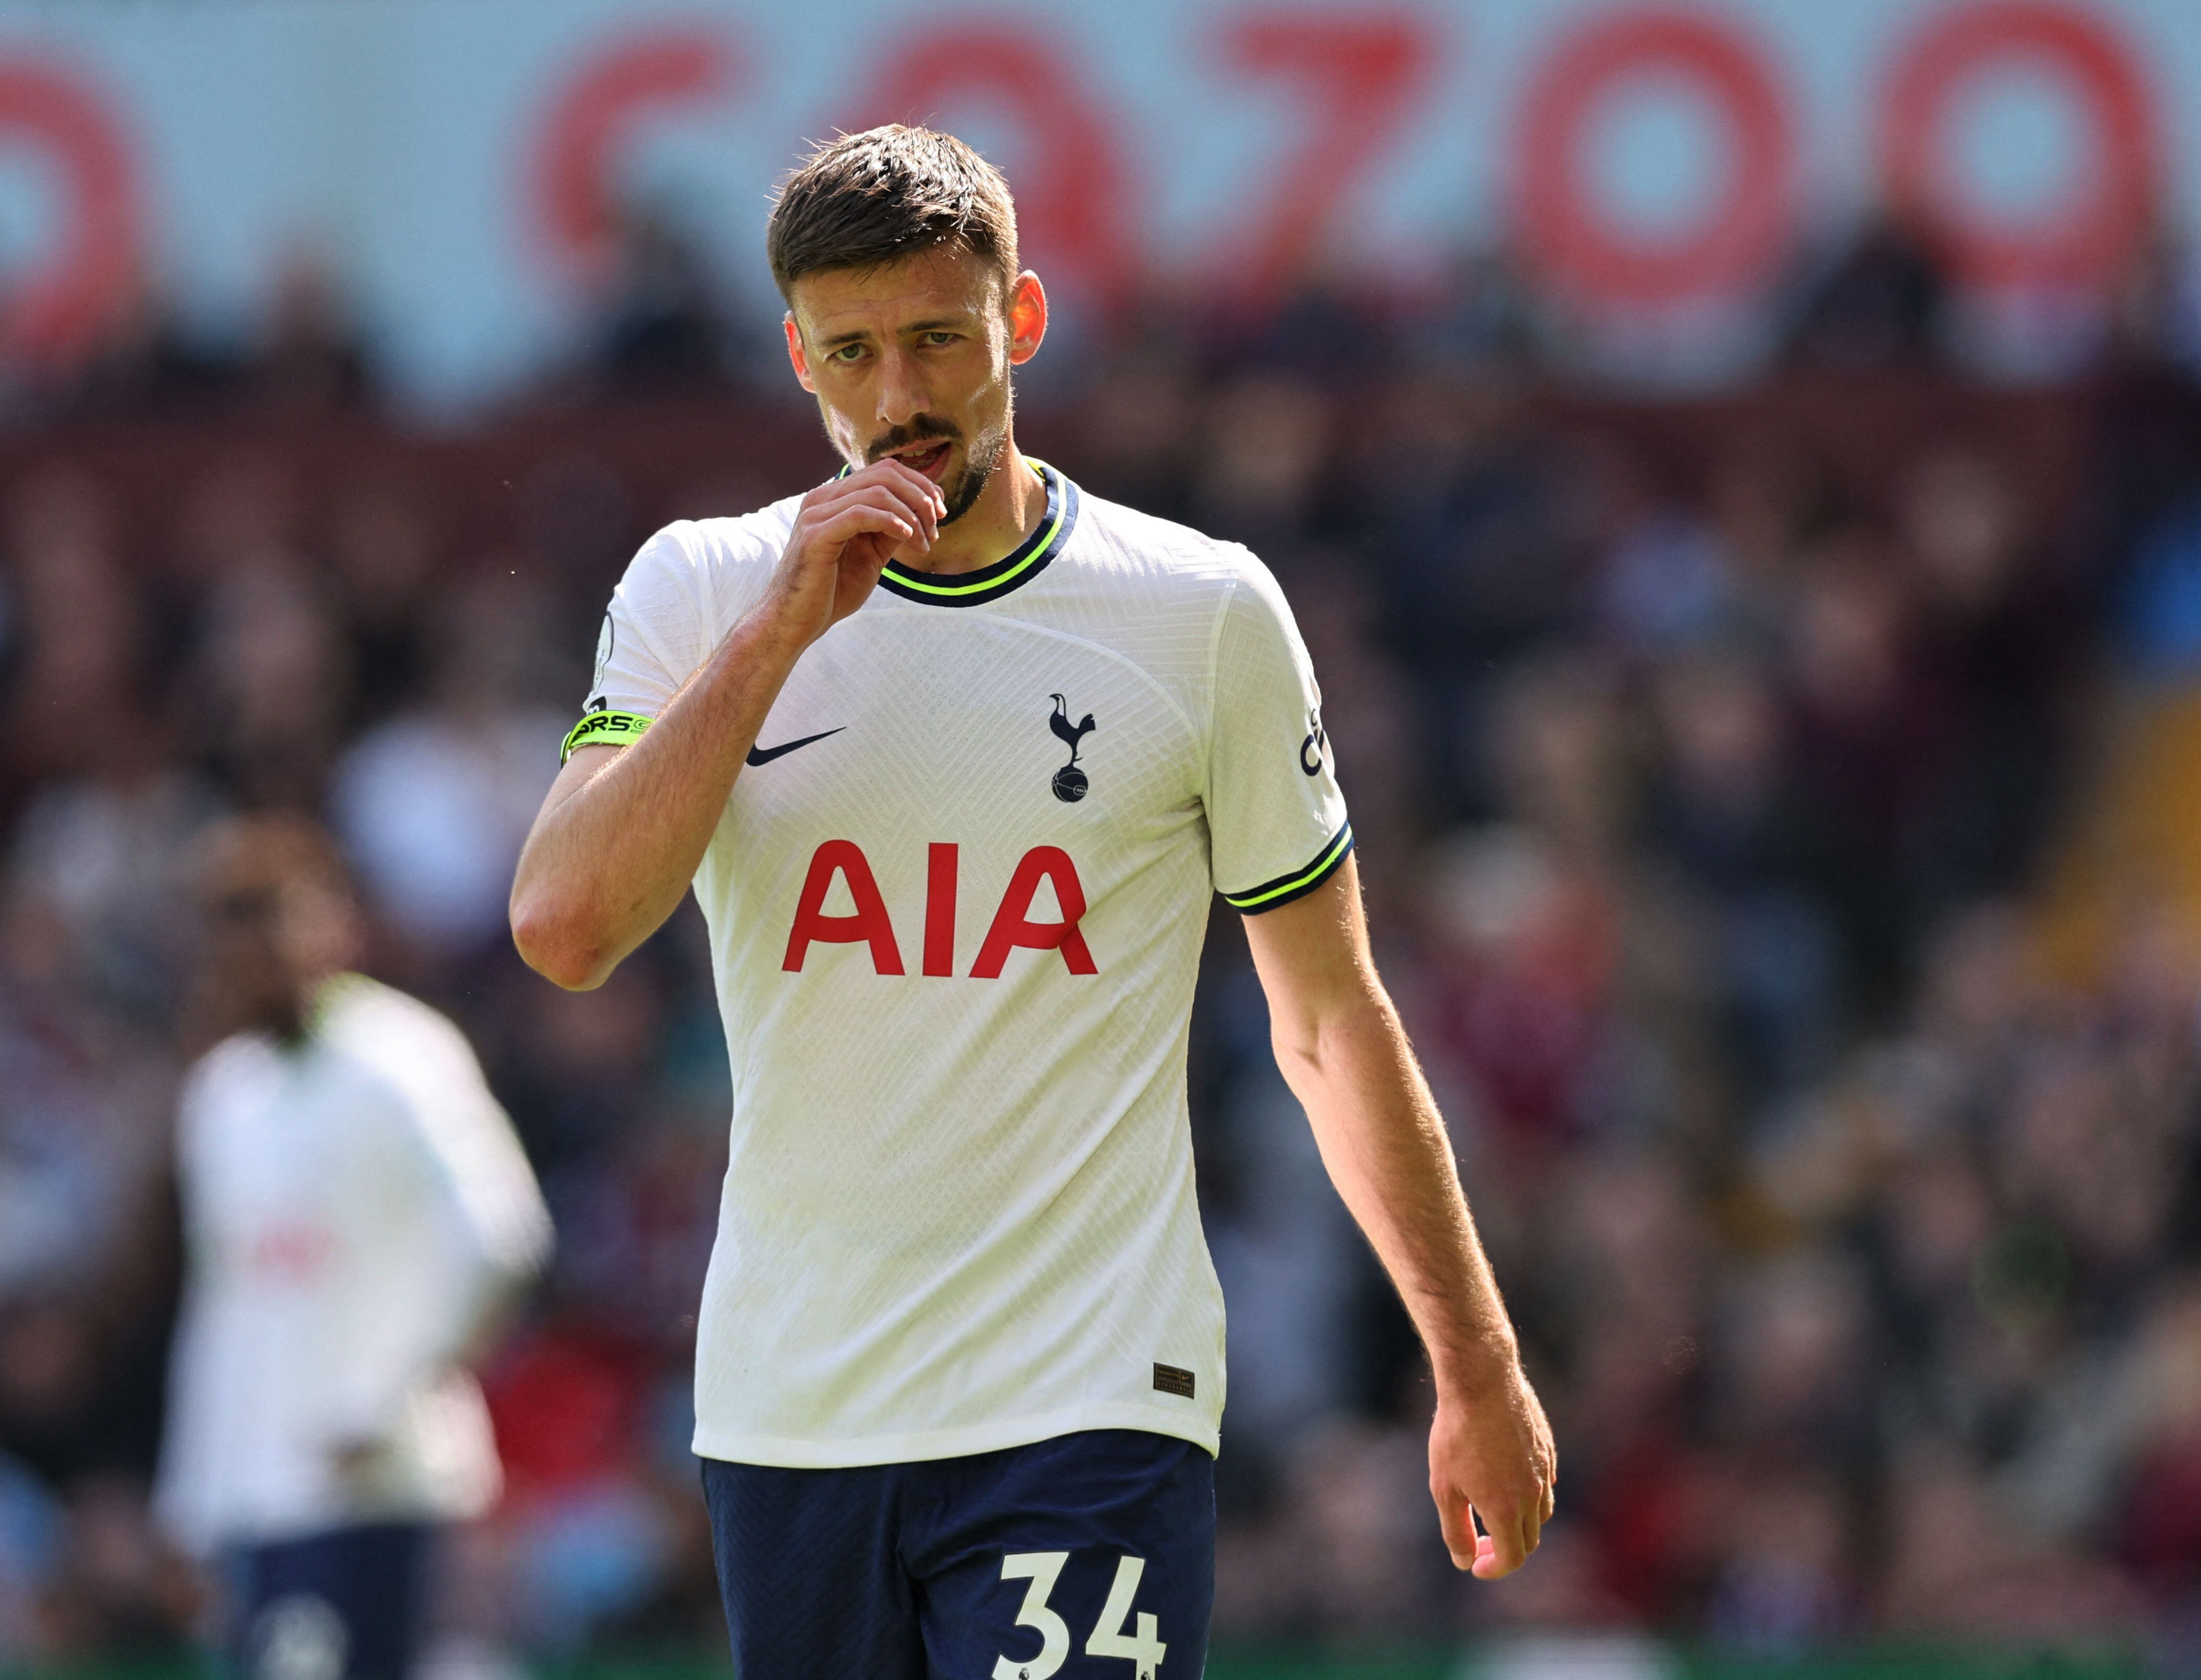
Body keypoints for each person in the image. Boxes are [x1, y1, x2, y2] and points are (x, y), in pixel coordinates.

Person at [510, 125, 1553, 1678]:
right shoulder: (701, 589)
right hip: (796, 1406)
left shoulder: (1197, 614)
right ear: (796, 354)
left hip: (1088, 1397)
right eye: (851, 352)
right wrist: (780, 634)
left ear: (1023, 323)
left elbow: (1332, 1021)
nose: (897, 396)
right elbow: (567, 928)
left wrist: (1475, 1362)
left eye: (938, 337)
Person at [158, 815, 551, 1680]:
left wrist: (382, 1400)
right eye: (233, 932)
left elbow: (501, 1232)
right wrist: (192, 1498)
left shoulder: (399, 1056)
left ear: (333, 921)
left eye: (275, 921)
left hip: (369, 1489)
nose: (253, 955)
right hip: (255, 1502)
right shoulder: (226, 1093)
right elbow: (227, 1302)